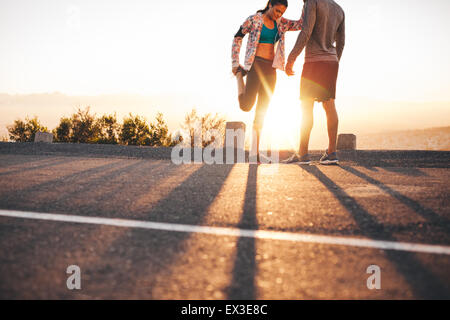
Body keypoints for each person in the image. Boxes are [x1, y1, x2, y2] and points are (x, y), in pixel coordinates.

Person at [232, 0, 303, 163]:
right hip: (255, 65)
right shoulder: (254, 20)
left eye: (282, 13)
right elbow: (237, 37)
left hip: (271, 69)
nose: (279, 15)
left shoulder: (281, 23)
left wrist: (307, 4)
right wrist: (235, 62)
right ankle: (238, 76)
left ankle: (254, 153)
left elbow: (300, 24)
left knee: (262, 110)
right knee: (246, 106)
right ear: (270, 5)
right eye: (277, 11)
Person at [284, 0, 345, 165]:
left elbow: (306, 32)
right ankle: (332, 153)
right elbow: (341, 42)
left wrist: (291, 59)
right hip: (331, 61)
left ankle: (302, 154)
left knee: (306, 107)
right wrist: (333, 60)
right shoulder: (339, 9)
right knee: (330, 106)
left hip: (313, 62)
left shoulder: (312, 2)